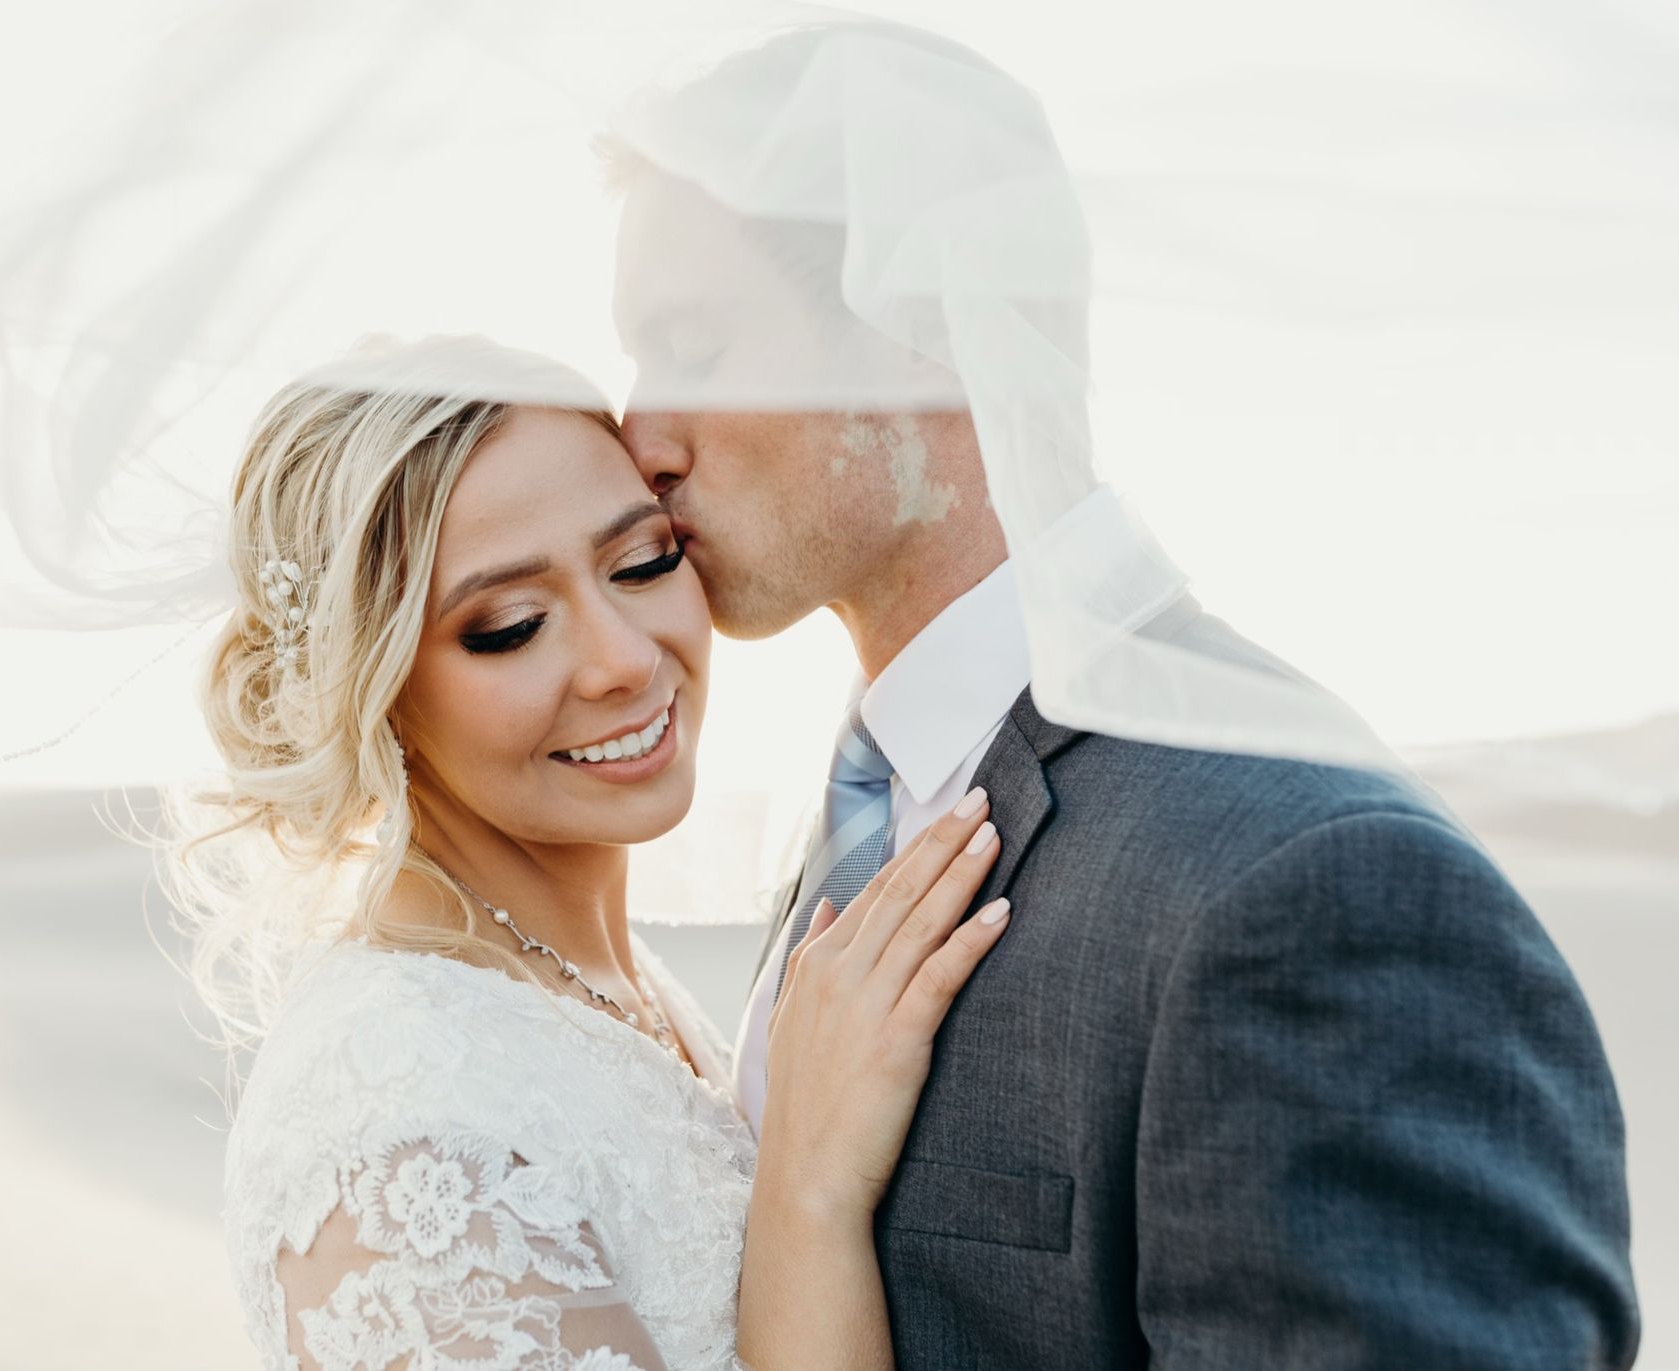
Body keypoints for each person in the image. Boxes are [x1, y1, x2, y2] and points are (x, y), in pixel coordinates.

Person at [609, 25, 1642, 1371]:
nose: (640, 436)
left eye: (691, 345)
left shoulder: (1319, 887)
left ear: (921, 329)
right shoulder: (872, 799)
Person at [200, 334, 1015, 1370]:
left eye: (643, 563)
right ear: (370, 692)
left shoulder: (592, 987)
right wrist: (809, 1190)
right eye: (510, 626)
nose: (626, 660)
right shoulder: (401, 1131)